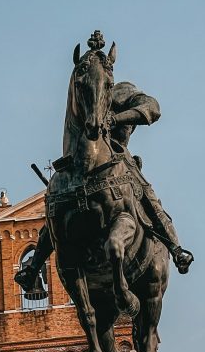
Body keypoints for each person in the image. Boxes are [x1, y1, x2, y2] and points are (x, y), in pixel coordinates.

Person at [15, 82, 194, 293]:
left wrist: (115, 119)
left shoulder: (122, 92)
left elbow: (152, 109)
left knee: (148, 197)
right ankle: (33, 267)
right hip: (81, 167)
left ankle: (175, 248)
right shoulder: (82, 102)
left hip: (117, 163)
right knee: (57, 208)